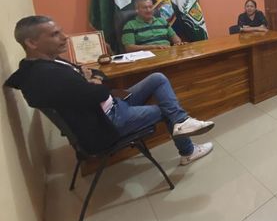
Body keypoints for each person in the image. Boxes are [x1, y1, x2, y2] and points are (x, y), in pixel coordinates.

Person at [5, 16, 215, 166]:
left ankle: (181, 122)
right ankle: (187, 150)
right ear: (32, 42)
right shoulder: (44, 76)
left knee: (157, 78)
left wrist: (91, 79)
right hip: (108, 122)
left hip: (110, 107)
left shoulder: (52, 62)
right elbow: (100, 93)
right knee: (166, 110)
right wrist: (92, 81)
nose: (65, 36)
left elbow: (95, 73)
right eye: (55, 34)